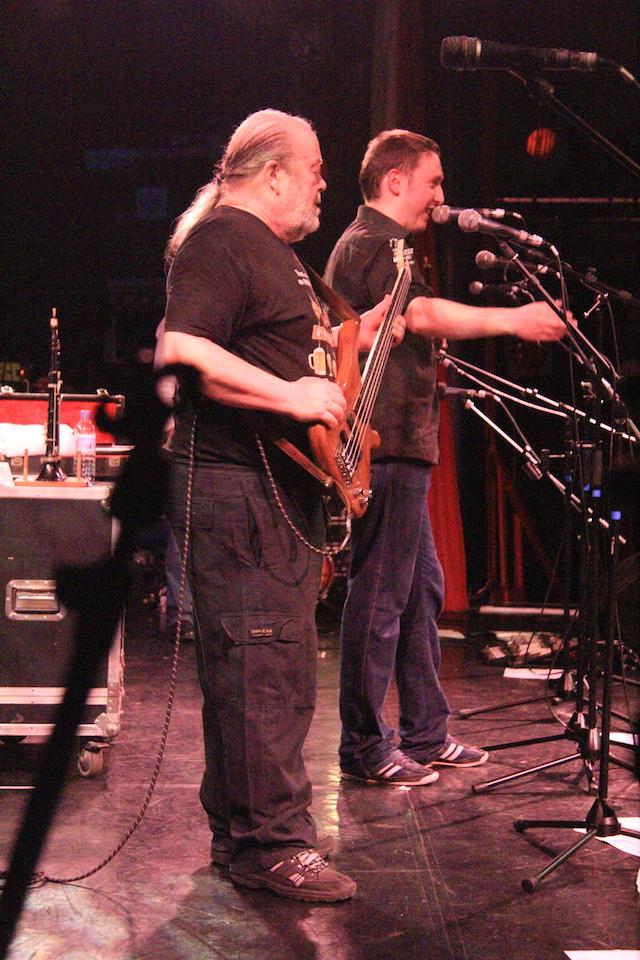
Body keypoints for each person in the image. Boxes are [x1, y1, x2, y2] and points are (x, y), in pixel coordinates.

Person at [160, 109, 402, 902]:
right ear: (272, 174)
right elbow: (180, 352)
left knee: (269, 666)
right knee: (262, 666)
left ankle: (247, 842)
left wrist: (356, 339)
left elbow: (291, 354)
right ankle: (273, 845)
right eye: (316, 168)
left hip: (268, 491)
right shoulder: (224, 240)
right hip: (236, 489)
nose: (325, 183)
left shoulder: (273, 254)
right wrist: (291, 394)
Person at [324, 129, 567, 787]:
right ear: (395, 180)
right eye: (432, 181)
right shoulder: (374, 241)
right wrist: (514, 321)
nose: (440, 196)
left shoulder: (386, 244)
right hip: (384, 443)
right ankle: (362, 745)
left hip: (401, 442)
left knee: (422, 589)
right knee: (380, 594)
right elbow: (423, 315)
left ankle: (425, 732)